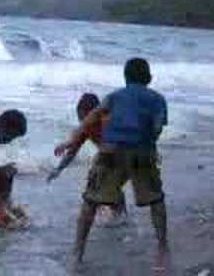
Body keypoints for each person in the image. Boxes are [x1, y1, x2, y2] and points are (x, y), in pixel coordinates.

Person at [65, 58, 168, 263]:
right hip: (143, 152)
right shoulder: (158, 99)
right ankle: (162, 245)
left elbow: (92, 117)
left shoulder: (113, 96)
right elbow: (157, 127)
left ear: (125, 77)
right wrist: (148, 142)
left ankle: (78, 251)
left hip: (112, 151)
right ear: (149, 77)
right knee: (156, 200)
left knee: (90, 201)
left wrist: (70, 140)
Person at [47, 93, 127, 219]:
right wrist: (59, 169)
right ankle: (113, 212)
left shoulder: (108, 122)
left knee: (105, 180)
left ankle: (118, 214)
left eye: (84, 117)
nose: (82, 122)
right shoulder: (85, 128)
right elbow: (72, 152)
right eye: (80, 118)